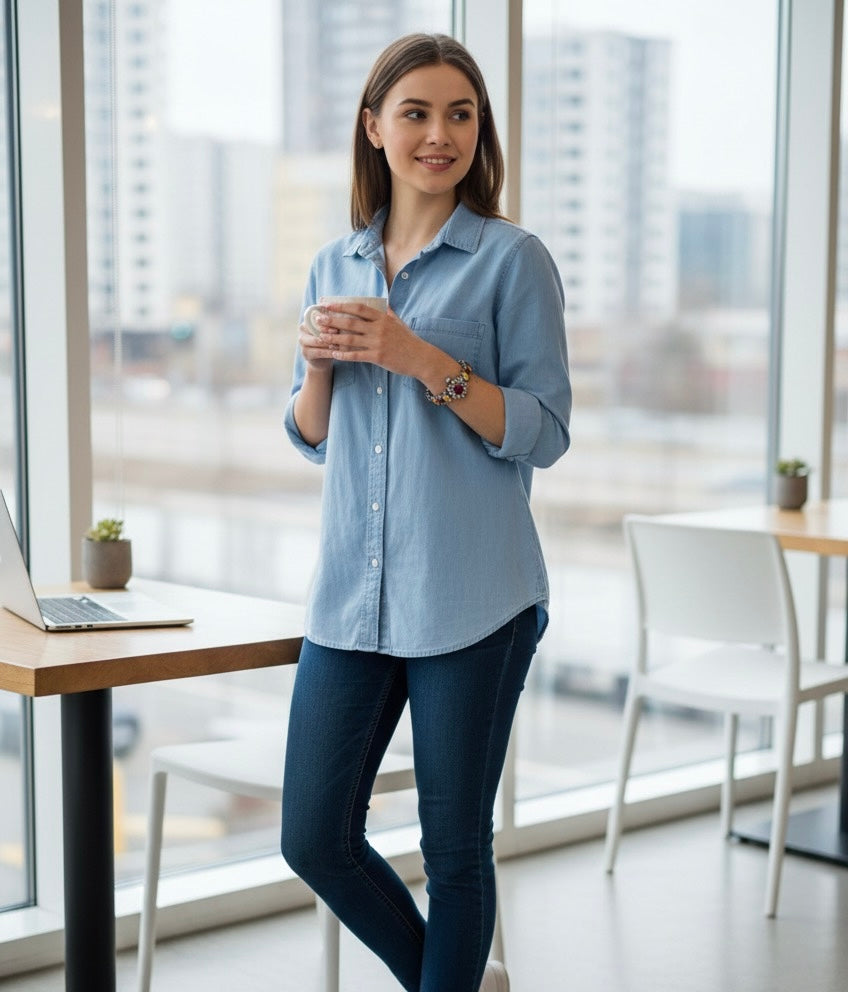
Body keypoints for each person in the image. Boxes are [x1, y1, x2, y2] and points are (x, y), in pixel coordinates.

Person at [280, 32, 571, 992]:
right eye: (415, 112)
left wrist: (419, 359)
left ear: (479, 131)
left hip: (473, 597)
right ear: (373, 127)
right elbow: (310, 432)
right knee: (313, 836)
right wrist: (318, 369)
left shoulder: (511, 260)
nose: (439, 134)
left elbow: (543, 430)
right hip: (351, 598)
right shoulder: (335, 260)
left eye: (460, 114)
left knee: (453, 850)